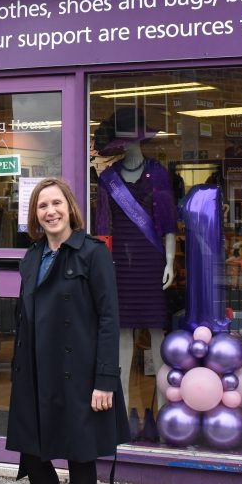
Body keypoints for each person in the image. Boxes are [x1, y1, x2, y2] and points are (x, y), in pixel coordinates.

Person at [8, 178, 130, 484]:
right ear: (35, 214)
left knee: (80, 457)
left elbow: (108, 318)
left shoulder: (92, 252)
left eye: (56, 203)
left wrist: (105, 380)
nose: (50, 211)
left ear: (70, 208)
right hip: (35, 373)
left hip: (79, 373)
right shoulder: (31, 257)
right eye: (42, 206)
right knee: (32, 453)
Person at [94, 108, 177, 411]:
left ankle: (165, 408)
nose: (128, 145)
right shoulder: (108, 179)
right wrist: (104, 267)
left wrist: (170, 261)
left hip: (152, 262)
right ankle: (121, 408)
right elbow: (103, 228)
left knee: (157, 331)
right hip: (121, 265)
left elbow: (168, 222)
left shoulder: (158, 173)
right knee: (123, 334)